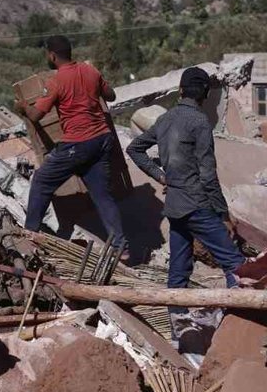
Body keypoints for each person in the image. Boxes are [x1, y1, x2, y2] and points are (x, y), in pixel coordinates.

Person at [126, 67, 245, 291]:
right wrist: (223, 215)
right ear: (206, 94)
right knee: (235, 264)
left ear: (180, 90)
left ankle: (177, 317)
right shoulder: (199, 122)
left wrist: (161, 177)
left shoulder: (165, 119)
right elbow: (208, 176)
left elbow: (135, 149)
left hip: (174, 206)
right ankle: (241, 318)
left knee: (178, 271)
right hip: (196, 205)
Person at [16, 35, 126, 253]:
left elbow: (37, 115)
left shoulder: (56, 81)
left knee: (41, 180)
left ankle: (29, 235)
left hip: (78, 143)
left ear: (52, 55)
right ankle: (121, 246)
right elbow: (111, 95)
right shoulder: (90, 71)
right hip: (102, 140)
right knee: (102, 195)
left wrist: (22, 107)